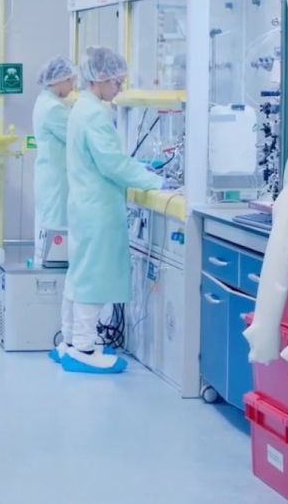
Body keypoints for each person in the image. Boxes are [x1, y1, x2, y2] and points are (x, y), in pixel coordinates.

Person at [57, 46, 162, 374]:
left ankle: (70, 340)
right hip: (98, 209)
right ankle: (84, 348)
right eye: (117, 81)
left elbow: (106, 159)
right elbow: (112, 164)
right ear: (99, 79)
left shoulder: (82, 108)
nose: (119, 87)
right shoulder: (95, 114)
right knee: (93, 277)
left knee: (80, 274)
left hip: (84, 205)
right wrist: (153, 181)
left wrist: (138, 168)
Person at [32, 56, 76, 253]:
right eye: (71, 80)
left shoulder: (44, 102)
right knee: (55, 231)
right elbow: (78, 138)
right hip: (56, 182)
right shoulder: (53, 109)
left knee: (47, 229)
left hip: (49, 178)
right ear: (60, 80)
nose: (73, 86)